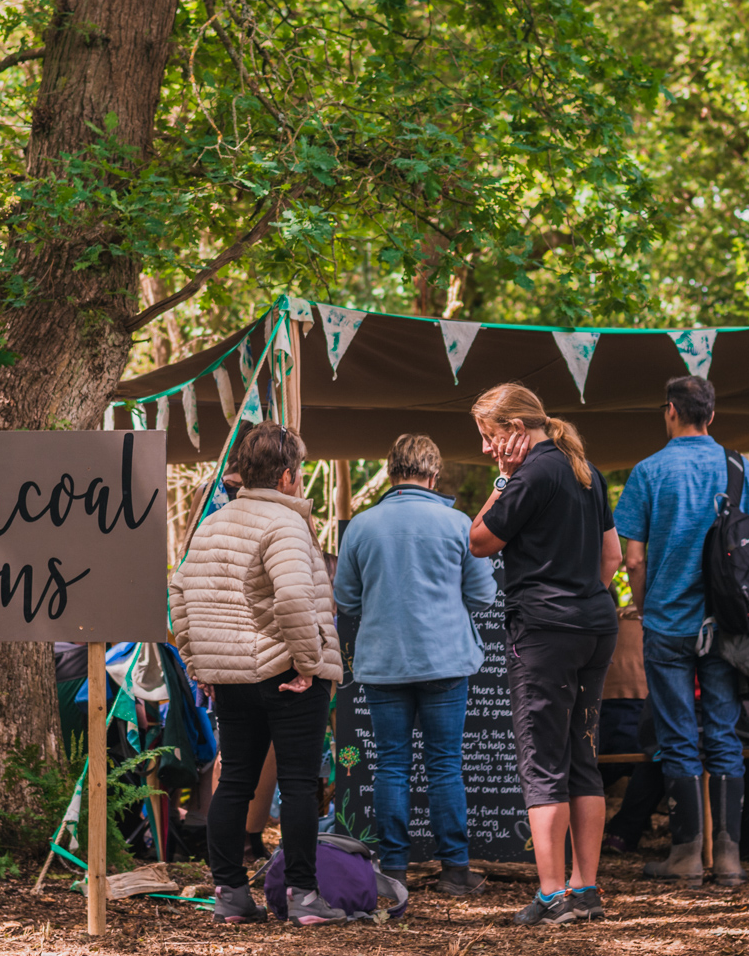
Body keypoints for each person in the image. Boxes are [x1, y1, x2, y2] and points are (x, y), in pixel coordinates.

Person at [170, 422, 346, 926]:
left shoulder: (212, 525)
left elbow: (178, 596)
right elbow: (293, 598)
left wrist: (197, 661)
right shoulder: (286, 524)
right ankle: (304, 899)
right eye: (302, 471)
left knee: (235, 783)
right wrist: (309, 663)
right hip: (287, 672)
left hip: (230, 679)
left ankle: (230, 896)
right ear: (288, 476)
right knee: (296, 782)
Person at [469, 383, 622, 926]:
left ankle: (552, 893)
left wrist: (503, 480)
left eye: (490, 437)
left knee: (542, 761)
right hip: (596, 627)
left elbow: (480, 539)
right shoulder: (585, 469)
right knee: (582, 756)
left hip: (544, 632)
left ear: (514, 430)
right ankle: (586, 889)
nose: (488, 449)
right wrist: (579, 596)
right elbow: (613, 556)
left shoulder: (529, 474)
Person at [615, 375, 749, 887]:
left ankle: (685, 856)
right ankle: (728, 858)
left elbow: (633, 558)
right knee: (725, 734)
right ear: (712, 416)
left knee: (677, 738)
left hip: (668, 623)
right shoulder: (738, 467)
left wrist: (643, 604)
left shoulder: (648, 471)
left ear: (671, 412)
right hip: (727, 626)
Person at [334, 433, 497, 896]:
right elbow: (484, 594)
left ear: (391, 472)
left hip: (383, 663)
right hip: (445, 661)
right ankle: (455, 870)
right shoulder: (456, 524)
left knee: (391, 765)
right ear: (433, 474)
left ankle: (395, 870)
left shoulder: (362, 527)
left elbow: (345, 600)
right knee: (445, 764)